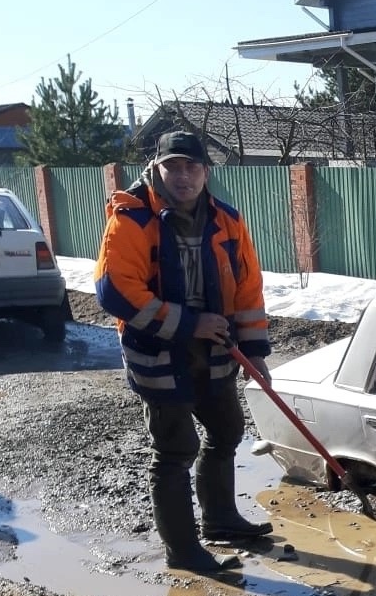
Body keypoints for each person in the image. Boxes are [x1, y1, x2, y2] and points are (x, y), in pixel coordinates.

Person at [94, 131, 274, 573]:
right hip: (158, 351)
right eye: (172, 166)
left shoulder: (226, 221)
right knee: (175, 450)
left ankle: (220, 519)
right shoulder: (132, 219)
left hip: (215, 347)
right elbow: (115, 291)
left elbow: (248, 288)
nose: (183, 175)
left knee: (228, 429)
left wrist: (254, 349)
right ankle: (184, 551)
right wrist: (190, 323)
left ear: (206, 172)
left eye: (192, 167)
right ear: (156, 169)